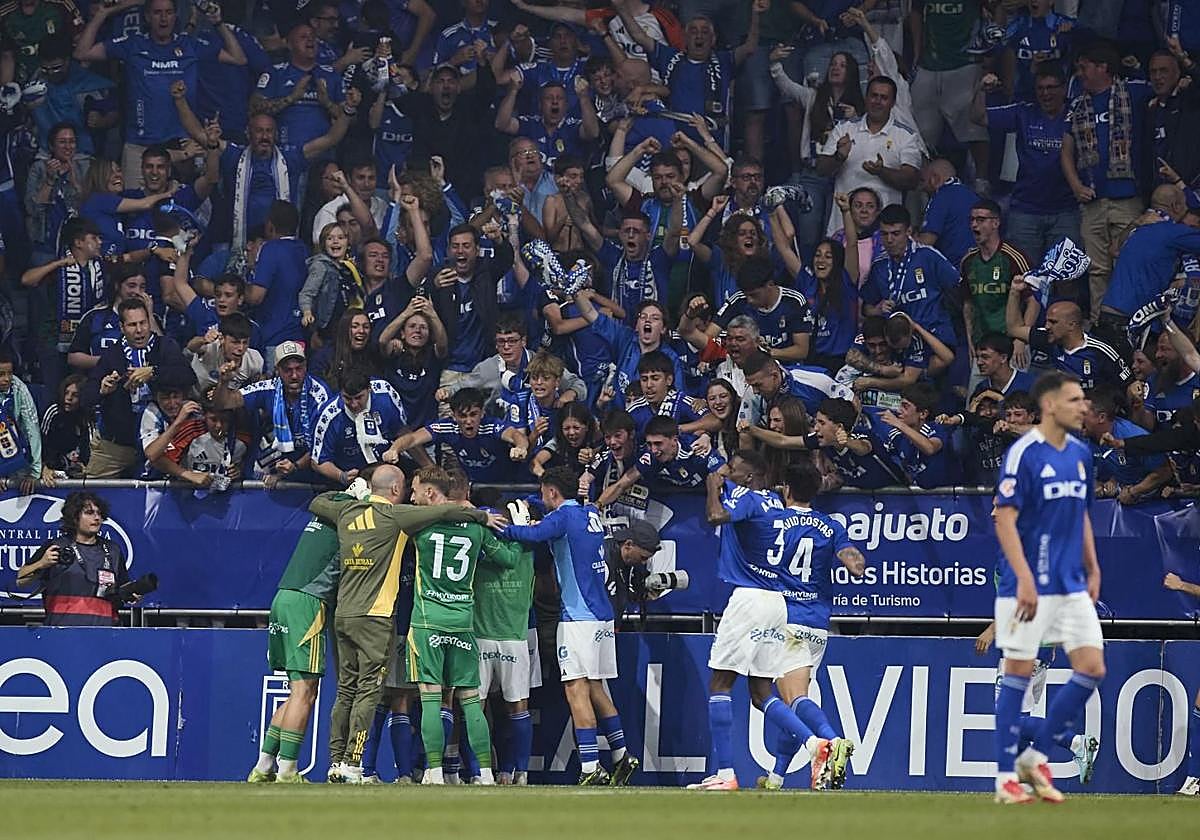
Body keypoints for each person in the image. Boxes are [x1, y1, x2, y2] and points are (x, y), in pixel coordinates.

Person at [308, 464, 493, 784]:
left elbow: (317, 502)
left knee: (344, 692)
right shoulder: (397, 515)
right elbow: (445, 512)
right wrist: (480, 515)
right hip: (378, 618)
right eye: (405, 487)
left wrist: (347, 491)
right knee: (370, 691)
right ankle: (354, 764)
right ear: (394, 490)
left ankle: (335, 761)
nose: (409, 493)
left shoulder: (347, 512)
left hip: (343, 615)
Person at [992, 371, 1107, 804]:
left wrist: (1093, 566)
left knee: (1092, 667)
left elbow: (1082, 514)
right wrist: (1022, 578)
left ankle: (1033, 757)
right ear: (1050, 405)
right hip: (1028, 583)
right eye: (1076, 400)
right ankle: (1005, 779)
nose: (1084, 407)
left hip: (1071, 582)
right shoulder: (1023, 454)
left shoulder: (1081, 452)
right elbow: (1004, 518)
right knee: (1017, 673)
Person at [691, 450, 831, 791]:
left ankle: (725, 775)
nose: (727, 472)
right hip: (775, 602)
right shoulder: (775, 505)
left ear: (750, 476)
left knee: (720, 685)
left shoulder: (751, 500)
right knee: (761, 691)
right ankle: (815, 744)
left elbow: (715, 515)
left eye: (734, 470)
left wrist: (712, 486)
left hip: (749, 598)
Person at [494, 466, 641, 786]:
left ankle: (590, 767)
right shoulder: (589, 512)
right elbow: (550, 516)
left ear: (551, 492)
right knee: (596, 687)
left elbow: (531, 536)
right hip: (602, 616)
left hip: (579, 618)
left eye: (544, 491)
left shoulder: (562, 518)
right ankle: (621, 754)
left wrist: (501, 528)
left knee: (576, 691)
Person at [402, 466, 521, 785]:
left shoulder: (421, 526)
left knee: (430, 697)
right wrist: (483, 518)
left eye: (415, 491)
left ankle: (436, 772)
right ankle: (484, 774)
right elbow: (508, 560)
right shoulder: (477, 529)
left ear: (431, 492)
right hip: (463, 624)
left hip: (428, 623)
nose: (411, 498)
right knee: (470, 701)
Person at [759, 460, 866, 791]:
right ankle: (777, 776)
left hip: (786, 619)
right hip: (818, 624)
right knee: (798, 698)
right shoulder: (830, 526)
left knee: (790, 700)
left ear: (786, 489)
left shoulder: (775, 520)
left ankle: (832, 742)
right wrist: (853, 561)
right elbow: (853, 560)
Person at [72, 0, 247, 186]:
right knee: (135, 209)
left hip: (184, 144)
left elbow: (238, 58)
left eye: (169, 12)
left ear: (175, 15)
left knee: (185, 209)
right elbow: (81, 53)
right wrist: (101, 15)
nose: (163, 18)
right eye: (157, 13)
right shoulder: (133, 44)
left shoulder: (189, 45)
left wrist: (218, 22)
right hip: (140, 145)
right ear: (147, 17)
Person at [247, 490, 346, 784]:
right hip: (307, 603)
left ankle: (263, 767)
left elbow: (322, 497)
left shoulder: (324, 514)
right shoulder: (350, 518)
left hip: (283, 598)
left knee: (296, 692)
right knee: (306, 692)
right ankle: (288, 770)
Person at [1060, 40, 1151, 317]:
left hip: (1128, 200)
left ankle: (1131, 323)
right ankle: (1102, 327)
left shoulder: (1132, 93)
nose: (1080, 74)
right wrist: (1076, 185)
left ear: (1103, 67)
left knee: (1128, 264)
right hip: (1093, 202)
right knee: (1098, 270)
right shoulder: (1077, 106)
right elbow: (1066, 152)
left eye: (1085, 67)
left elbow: (1163, 88)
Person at [79, 297, 193, 478]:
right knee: (92, 494)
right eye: (132, 325)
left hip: (164, 440)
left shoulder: (165, 347)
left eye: (143, 323)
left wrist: (154, 372)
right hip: (118, 445)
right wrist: (102, 390)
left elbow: (187, 376)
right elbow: (86, 398)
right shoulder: (111, 355)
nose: (139, 330)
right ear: (122, 327)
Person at [212, 340, 331, 487]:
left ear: (306, 367)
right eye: (287, 370)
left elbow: (323, 444)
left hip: (310, 459)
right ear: (277, 370)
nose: (294, 375)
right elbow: (224, 403)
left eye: (299, 368)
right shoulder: (268, 388)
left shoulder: (320, 394)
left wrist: (296, 466)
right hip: (280, 455)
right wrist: (223, 382)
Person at [815, 75, 922, 235]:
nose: (877, 101)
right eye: (874, 96)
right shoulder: (844, 129)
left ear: (892, 103)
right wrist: (839, 157)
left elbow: (911, 180)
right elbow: (821, 169)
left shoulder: (906, 136)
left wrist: (881, 171)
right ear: (866, 98)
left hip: (886, 233)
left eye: (884, 97)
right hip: (842, 226)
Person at [15, 491, 130, 626]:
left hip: (103, 632)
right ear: (75, 518)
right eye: (89, 513)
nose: (97, 518)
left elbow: (123, 587)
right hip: (61, 631)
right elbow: (20, 581)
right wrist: (41, 564)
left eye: (99, 513)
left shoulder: (113, 550)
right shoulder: (57, 546)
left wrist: (133, 592)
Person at [861, 204, 961, 355]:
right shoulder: (879, 266)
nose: (889, 240)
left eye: (895, 234)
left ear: (908, 231)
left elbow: (958, 289)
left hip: (934, 338)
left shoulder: (928, 256)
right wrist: (877, 310)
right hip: (900, 344)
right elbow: (866, 308)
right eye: (884, 234)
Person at [1005, 278, 1132, 393]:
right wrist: (1014, 292)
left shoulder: (1100, 351)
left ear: (1072, 325)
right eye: (1047, 321)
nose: (1047, 326)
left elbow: (1129, 385)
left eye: (1053, 322)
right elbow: (1014, 329)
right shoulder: (1049, 339)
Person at [383, 388, 529, 484]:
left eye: (473, 414)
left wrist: (521, 447)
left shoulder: (491, 426)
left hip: (505, 484)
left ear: (482, 413)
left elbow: (515, 435)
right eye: (462, 416)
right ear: (453, 416)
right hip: (472, 485)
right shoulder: (448, 427)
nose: (469, 421)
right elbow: (413, 438)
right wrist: (394, 449)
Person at [311, 367, 409, 486]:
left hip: (386, 470)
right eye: (347, 398)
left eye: (358, 397)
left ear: (369, 389)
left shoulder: (385, 394)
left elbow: (403, 432)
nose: (354, 404)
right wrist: (341, 476)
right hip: (352, 479)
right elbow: (317, 462)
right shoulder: (329, 415)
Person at [0, 349, 41, 490]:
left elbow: (32, 428)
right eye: (1, 375)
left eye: (9, 373)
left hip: (17, 448)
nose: (6, 379)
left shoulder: (19, 388)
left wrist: (34, 472)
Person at [39, 372, 90, 483]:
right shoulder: (53, 411)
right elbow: (40, 442)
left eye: (75, 395)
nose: (68, 398)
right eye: (66, 393)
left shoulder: (87, 417)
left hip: (75, 469)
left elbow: (89, 445)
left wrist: (84, 465)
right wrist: (44, 466)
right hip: (50, 467)